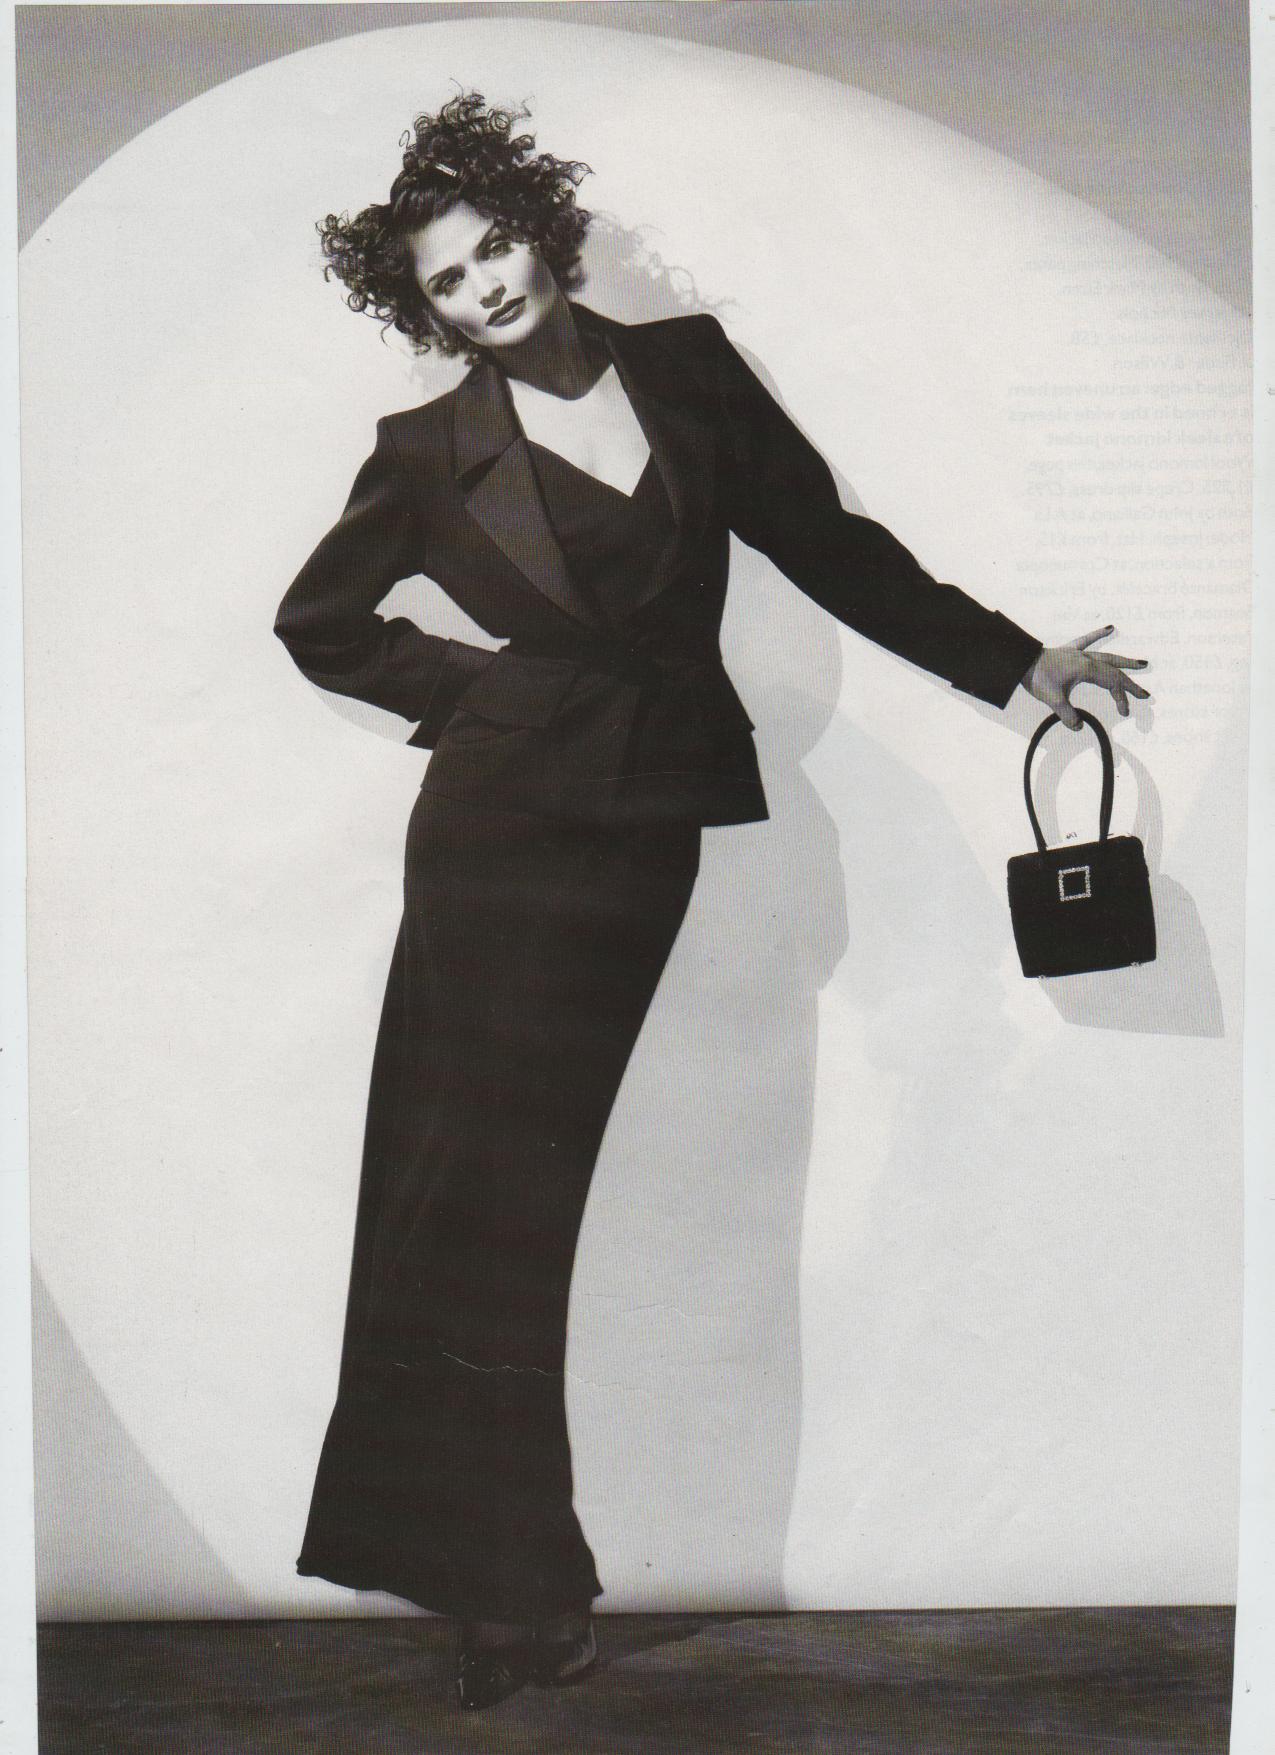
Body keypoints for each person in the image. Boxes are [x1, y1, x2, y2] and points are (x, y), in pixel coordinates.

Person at [274, 92, 1149, 1711]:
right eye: (446, 283)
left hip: (641, 827)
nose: (483, 289)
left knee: (532, 1188)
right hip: (494, 834)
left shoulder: (686, 372)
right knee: (473, 1193)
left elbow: (830, 546)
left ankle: (505, 1573)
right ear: (426, 314)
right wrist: (481, 696)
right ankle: (508, 1589)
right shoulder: (423, 455)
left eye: (494, 249)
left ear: (542, 230)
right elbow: (317, 622)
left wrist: (1014, 658)